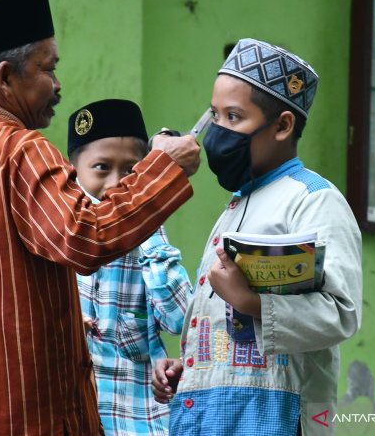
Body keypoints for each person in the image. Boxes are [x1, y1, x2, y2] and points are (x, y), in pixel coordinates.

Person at [0, 0, 201, 436]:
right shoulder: (18, 150)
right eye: (48, 69)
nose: (58, 86)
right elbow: (85, 235)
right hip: (26, 418)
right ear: (5, 78)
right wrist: (162, 168)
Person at [152, 38, 362, 436]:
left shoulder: (314, 200)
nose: (217, 130)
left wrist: (249, 301)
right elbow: (223, 328)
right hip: (212, 414)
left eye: (234, 117)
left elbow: (340, 313)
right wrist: (191, 368)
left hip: (274, 417)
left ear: (282, 125)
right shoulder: (237, 205)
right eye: (214, 114)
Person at [67, 99, 193, 435]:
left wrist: (147, 223)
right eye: (101, 168)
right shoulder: (60, 241)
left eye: (130, 171)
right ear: (74, 173)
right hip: (72, 418)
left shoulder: (150, 242)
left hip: (138, 423)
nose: (115, 184)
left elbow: (181, 319)